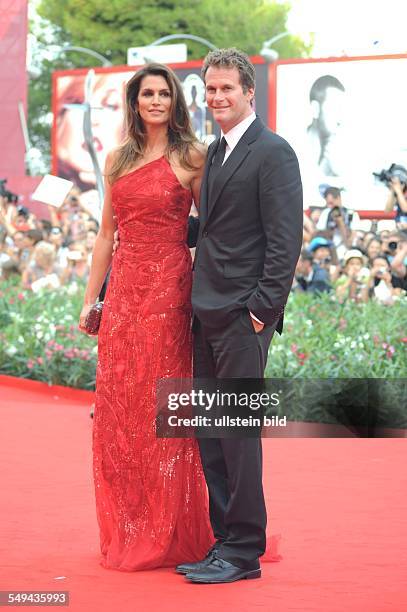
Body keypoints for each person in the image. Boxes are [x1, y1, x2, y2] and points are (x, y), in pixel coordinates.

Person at [78, 63, 213, 571]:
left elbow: (211, 232)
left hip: (170, 294)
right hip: (125, 295)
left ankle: (171, 528)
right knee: (120, 410)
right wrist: (92, 299)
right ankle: (130, 523)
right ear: (135, 103)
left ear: (174, 101)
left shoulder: (192, 156)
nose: (155, 101)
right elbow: (105, 236)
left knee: (164, 408)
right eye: (146, 94)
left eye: (163, 93)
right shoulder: (117, 160)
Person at [176, 48, 303, 584]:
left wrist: (260, 312)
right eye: (210, 90)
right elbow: (214, 228)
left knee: (238, 436)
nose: (217, 98)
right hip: (205, 312)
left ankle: (245, 549)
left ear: (249, 92)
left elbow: (284, 240)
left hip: (241, 317)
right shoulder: (215, 150)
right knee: (213, 434)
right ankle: (225, 541)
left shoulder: (273, 152)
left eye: (227, 88)